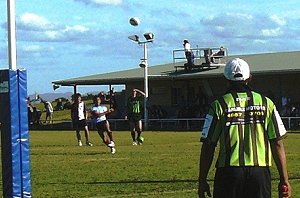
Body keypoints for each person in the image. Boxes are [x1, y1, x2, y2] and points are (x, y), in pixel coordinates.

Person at [198, 58, 291, 198]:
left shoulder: (218, 105)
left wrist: (202, 179)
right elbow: (277, 143)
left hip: (228, 173)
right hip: (260, 173)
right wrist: (284, 180)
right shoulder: (267, 104)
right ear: (250, 78)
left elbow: (208, 145)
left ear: (226, 79)